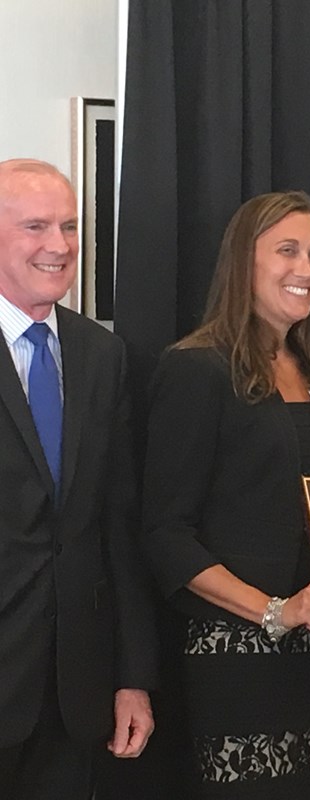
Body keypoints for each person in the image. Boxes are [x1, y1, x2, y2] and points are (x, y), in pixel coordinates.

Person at [141, 190, 310, 799]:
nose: (307, 269)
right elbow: (166, 535)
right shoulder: (196, 368)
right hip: (241, 663)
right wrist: (275, 610)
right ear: (245, 260)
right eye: (288, 251)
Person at [0, 159, 157, 798]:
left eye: (69, 226)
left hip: (75, 693)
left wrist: (132, 675)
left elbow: (118, 525)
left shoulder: (104, 355)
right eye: (36, 226)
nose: (60, 246)